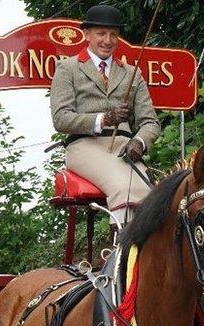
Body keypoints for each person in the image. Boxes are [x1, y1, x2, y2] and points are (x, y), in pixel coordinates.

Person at [50, 3, 161, 231]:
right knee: (124, 186)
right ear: (87, 34)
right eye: (101, 33)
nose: (107, 40)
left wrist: (139, 142)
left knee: (154, 196)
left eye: (113, 35)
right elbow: (61, 119)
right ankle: (118, 255)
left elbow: (149, 122)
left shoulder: (133, 73)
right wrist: (104, 119)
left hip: (124, 148)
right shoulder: (67, 69)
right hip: (83, 146)